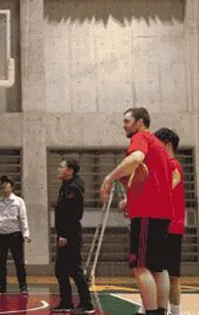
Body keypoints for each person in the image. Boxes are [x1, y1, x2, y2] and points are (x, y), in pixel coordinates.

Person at [99, 107, 173, 315]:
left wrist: (109, 178)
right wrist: (130, 202)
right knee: (158, 267)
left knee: (140, 267)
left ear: (139, 122)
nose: (123, 125)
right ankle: (160, 311)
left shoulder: (141, 138)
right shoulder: (159, 145)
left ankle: (150, 313)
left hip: (147, 214)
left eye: (127, 121)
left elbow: (135, 158)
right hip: (162, 213)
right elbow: (151, 182)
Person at [133, 128, 184, 315]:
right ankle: (147, 306)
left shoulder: (173, 165)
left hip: (171, 227)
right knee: (151, 269)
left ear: (167, 145)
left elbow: (163, 189)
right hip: (159, 225)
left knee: (172, 275)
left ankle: (176, 312)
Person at [51, 159, 94, 314]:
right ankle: (67, 302)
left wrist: (64, 235)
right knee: (61, 270)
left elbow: (71, 214)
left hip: (69, 235)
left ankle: (87, 304)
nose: (58, 169)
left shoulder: (73, 189)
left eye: (61, 167)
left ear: (69, 170)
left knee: (74, 270)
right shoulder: (66, 187)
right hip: (65, 234)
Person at [0, 176, 30, 294]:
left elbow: (23, 218)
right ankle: (2, 286)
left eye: (6, 185)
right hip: (1, 235)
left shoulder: (19, 201)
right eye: (2, 185)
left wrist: (26, 233)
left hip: (15, 235)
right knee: (1, 263)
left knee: (19, 262)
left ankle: (23, 286)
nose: (4, 187)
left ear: (11, 187)